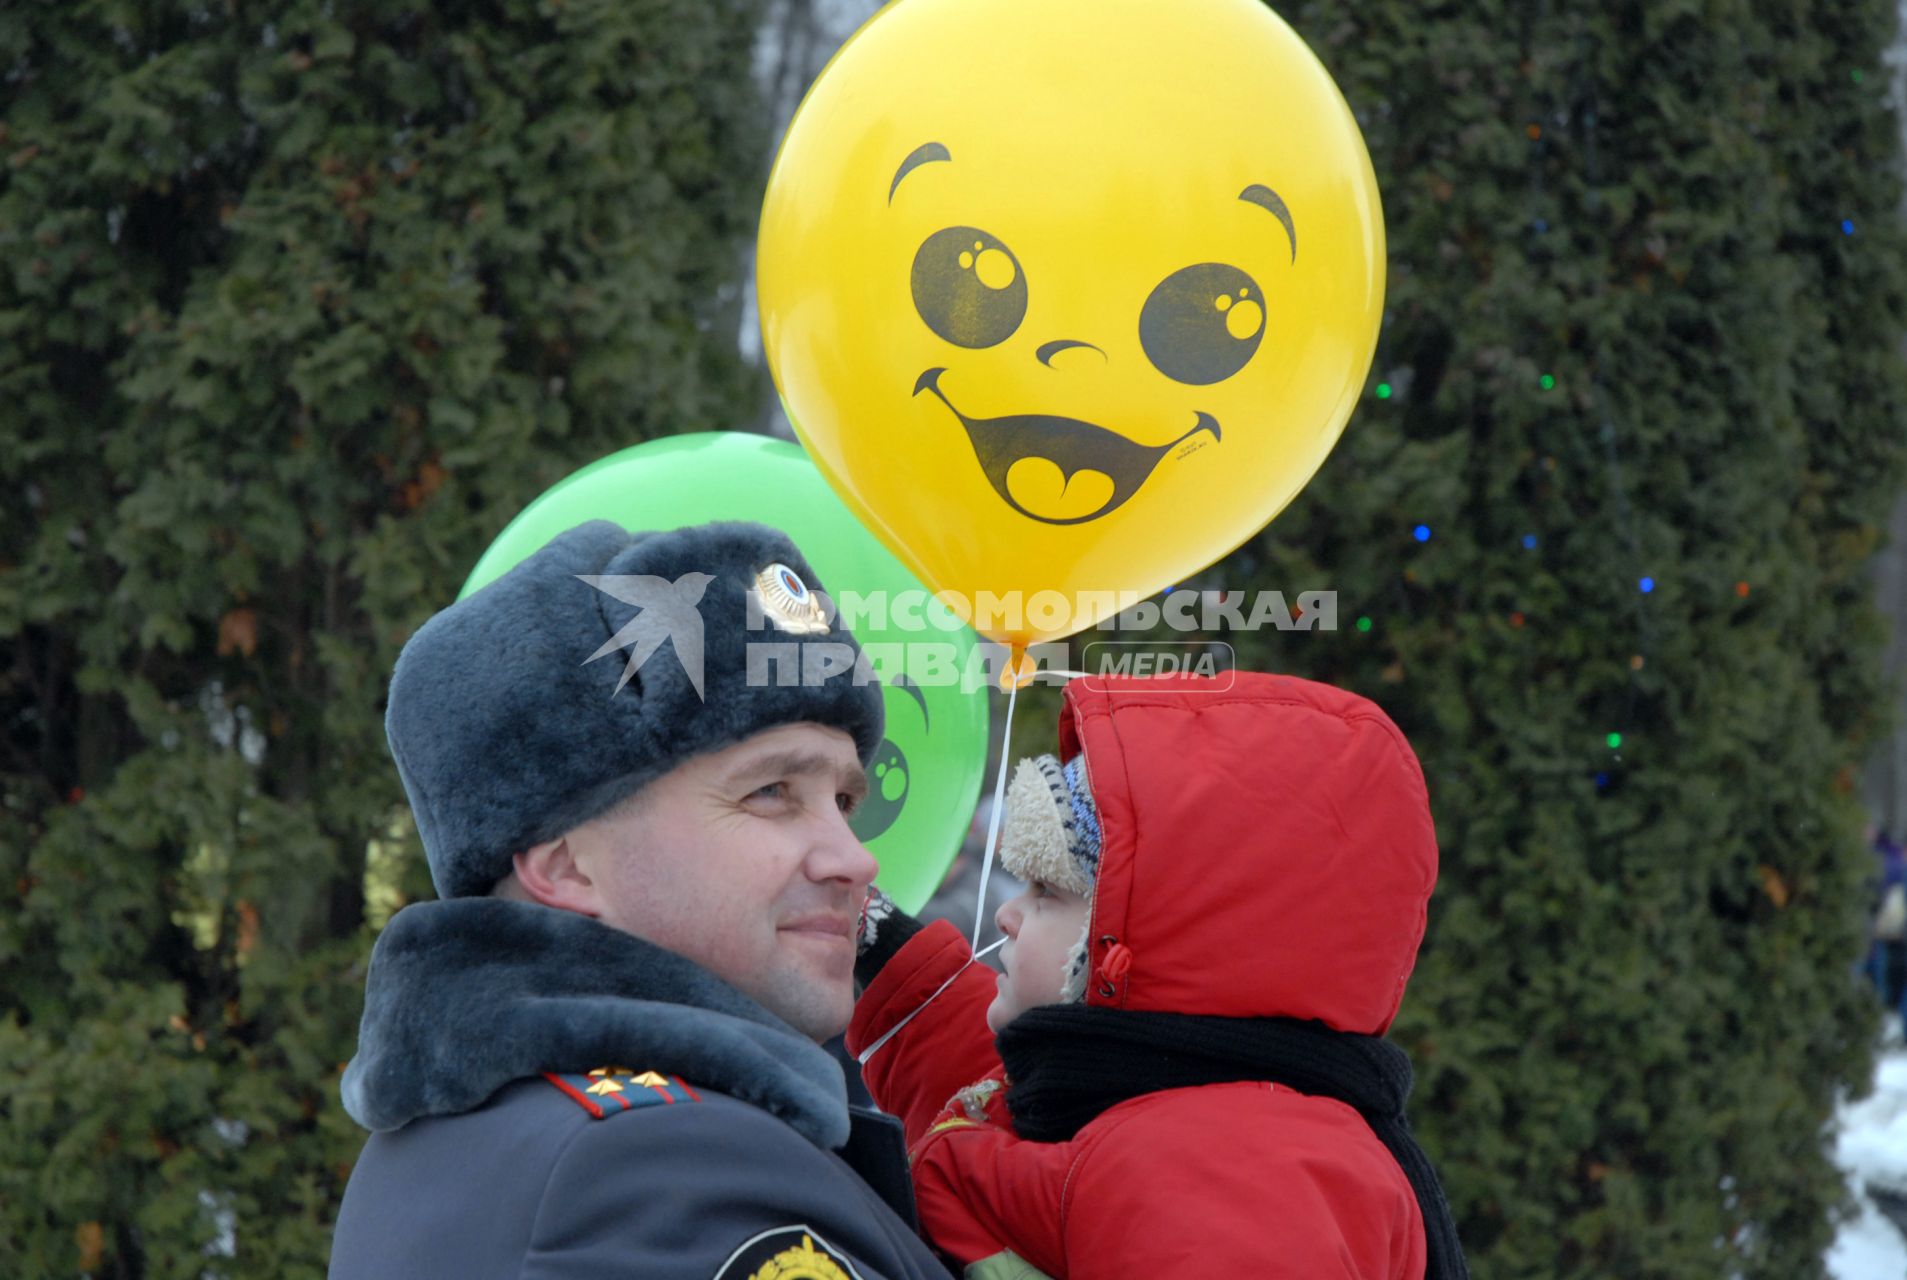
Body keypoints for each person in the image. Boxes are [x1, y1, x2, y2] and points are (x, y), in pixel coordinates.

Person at [329, 520, 951, 1280]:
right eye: (771, 792)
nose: (856, 859)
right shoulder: (652, 1164)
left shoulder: (471, 1134)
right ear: (566, 868)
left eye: (844, 799)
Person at [849, 671, 1468, 1279]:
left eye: (1045, 892)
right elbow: (1007, 1106)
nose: (1007, 914)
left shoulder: (1233, 1180)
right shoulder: (1170, 1105)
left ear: (1138, 943)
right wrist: (877, 941)